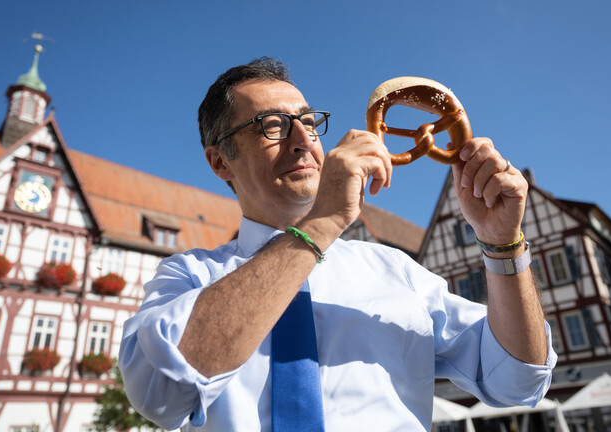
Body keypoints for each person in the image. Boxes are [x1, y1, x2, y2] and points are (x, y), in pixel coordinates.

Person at [119, 57, 557, 431]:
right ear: (220, 161)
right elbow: (162, 392)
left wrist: (503, 245)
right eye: (272, 126)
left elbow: (519, 380)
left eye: (310, 122)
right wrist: (321, 223)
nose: (304, 139)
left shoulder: (396, 271)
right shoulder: (191, 275)